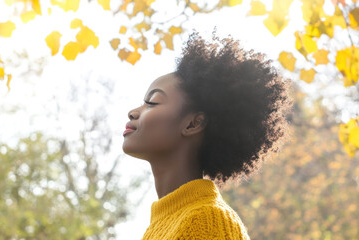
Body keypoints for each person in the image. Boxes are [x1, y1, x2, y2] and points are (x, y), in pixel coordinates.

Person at [122, 31, 293, 240]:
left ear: (194, 123)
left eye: (152, 102)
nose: (133, 111)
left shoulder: (208, 220)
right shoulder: (163, 224)